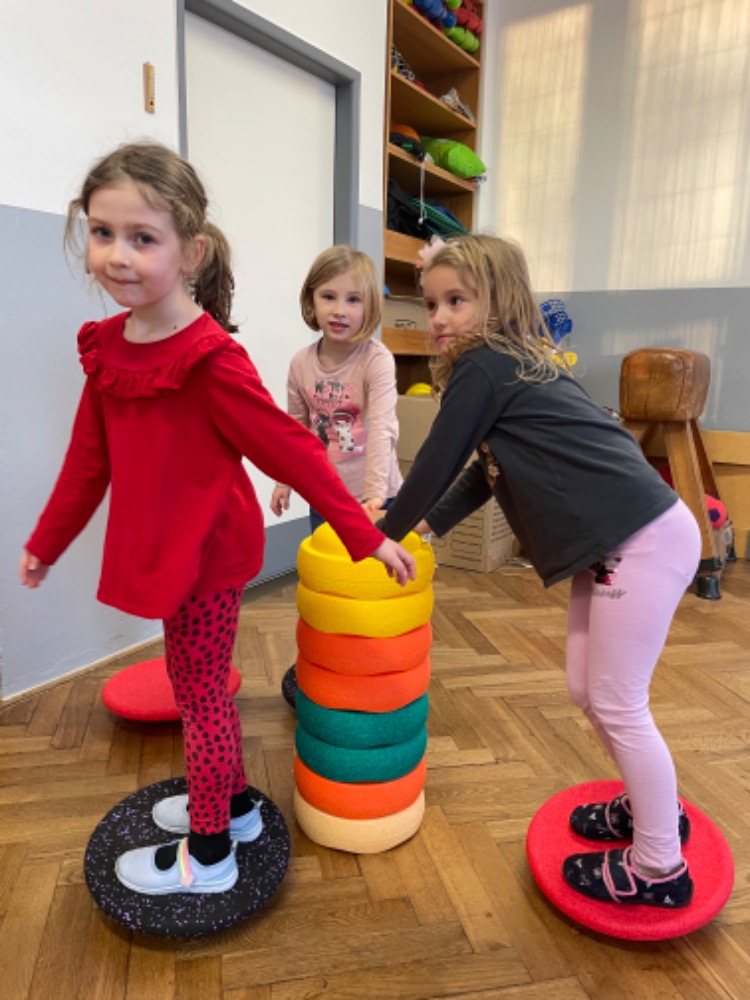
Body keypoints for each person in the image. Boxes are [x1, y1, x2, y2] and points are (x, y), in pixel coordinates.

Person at [19, 141, 416, 897]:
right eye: (102, 233)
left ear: (190, 252)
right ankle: (231, 806)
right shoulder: (107, 350)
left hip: (209, 553)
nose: (117, 254)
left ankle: (209, 854)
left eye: (142, 237)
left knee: (199, 695)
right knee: (190, 679)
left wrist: (364, 534)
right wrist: (47, 541)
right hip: (163, 547)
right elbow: (87, 462)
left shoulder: (209, 358)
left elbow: (294, 450)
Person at [378, 234, 699, 909]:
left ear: (499, 302)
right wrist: (426, 524)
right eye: (431, 304)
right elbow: (485, 472)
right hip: (619, 543)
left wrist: (378, 534)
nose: (438, 318)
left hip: (641, 540)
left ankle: (659, 866)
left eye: (457, 301)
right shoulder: (512, 367)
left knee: (617, 701)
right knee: (590, 691)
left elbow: (436, 459)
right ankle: (652, 812)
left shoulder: (485, 365)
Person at [270, 246, 403, 706]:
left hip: (376, 495)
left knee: (373, 589)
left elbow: (382, 426)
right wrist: (285, 479)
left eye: (353, 300)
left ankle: (374, 671)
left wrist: (374, 497)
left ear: (369, 306)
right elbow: (294, 429)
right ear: (312, 300)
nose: (339, 310)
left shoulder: (376, 360)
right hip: (325, 497)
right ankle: (333, 664)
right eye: (328, 297)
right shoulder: (301, 363)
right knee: (331, 586)